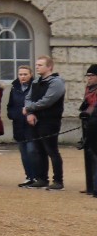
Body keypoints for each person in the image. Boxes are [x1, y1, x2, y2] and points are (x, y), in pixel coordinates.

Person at [26, 56, 68, 190]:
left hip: (50, 121)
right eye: (37, 64)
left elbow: (47, 100)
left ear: (49, 67)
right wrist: (30, 113)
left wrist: (29, 108)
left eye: (40, 65)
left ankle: (58, 181)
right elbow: (28, 98)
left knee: (52, 151)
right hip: (36, 120)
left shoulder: (56, 82)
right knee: (39, 151)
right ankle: (42, 178)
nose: (37, 67)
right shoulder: (36, 82)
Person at [9, 65, 40, 185]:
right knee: (24, 153)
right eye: (20, 74)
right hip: (18, 124)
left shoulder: (35, 86)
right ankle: (29, 176)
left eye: (25, 74)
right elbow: (10, 105)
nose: (22, 76)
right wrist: (12, 115)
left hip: (31, 124)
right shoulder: (14, 88)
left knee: (32, 151)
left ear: (31, 74)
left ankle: (38, 176)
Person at [78, 65, 97, 198]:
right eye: (88, 76)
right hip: (90, 126)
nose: (89, 78)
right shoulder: (88, 88)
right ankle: (91, 185)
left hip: (94, 123)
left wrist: (88, 113)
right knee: (90, 155)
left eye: (91, 76)